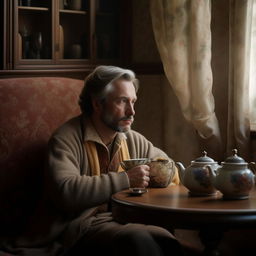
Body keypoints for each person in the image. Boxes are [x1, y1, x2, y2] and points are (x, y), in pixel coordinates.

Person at [3, 65, 183, 256]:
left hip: (124, 220)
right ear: (97, 104)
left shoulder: (133, 139)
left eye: (133, 102)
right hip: (78, 228)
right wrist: (126, 180)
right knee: (138, 240)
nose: (132, 112)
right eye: (122, 101)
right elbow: (65, 191)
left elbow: (169, 168)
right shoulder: (66, 138)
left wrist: (178, 175)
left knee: (167, 242)